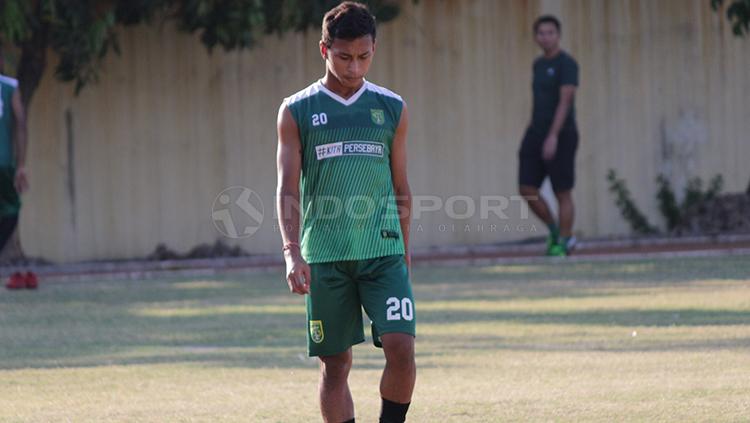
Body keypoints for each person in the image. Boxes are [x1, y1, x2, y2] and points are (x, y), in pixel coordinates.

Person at [275, 3, 415, 422]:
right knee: (336, 365)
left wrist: (406, 255)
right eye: (344, 57)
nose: (355, 67)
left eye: (364, 56)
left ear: (374, 49)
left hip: (383, 252)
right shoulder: (296, 110)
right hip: (325, 258)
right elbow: (286, 189)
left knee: (402, 349)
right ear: (324, 50)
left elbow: (401, 187)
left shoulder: (391, 108)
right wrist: (291, 252)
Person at [518, 15, 579, 257]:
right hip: (536, 132)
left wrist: (553, 136)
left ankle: (565, 242)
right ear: (536, 37)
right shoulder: (538, 64)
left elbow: (566, 101)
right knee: (526, 187)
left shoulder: (567, 64)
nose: (546, 37)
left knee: (561, 191)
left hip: (562, 134)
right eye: (541, 33)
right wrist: (536, 131)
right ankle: (554, 231)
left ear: (558, 35)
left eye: (550, 32)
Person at [0, 45, 35, 290]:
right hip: (3, 163)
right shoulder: (10, 86)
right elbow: (21, 123)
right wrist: (21, 165)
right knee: (11, 207)